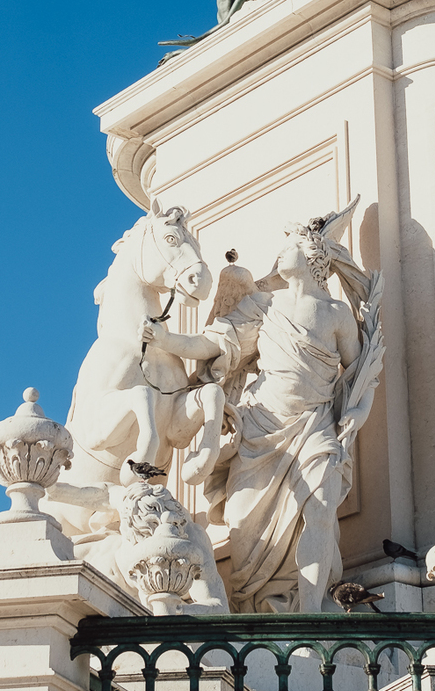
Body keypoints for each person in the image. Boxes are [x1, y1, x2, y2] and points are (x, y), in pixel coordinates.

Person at [138, 204, 383, 612]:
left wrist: (356, 413)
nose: (279, 254)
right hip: (258, 431)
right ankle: (257, 603)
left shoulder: (337, 314)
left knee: (320, 509)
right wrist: (166, 340)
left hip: (315, 426)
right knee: (245, 531)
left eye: (287, 247)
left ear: (310, 256)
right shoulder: (263, 307)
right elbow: (213, 345)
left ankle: (310, 615)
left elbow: (362, 372)